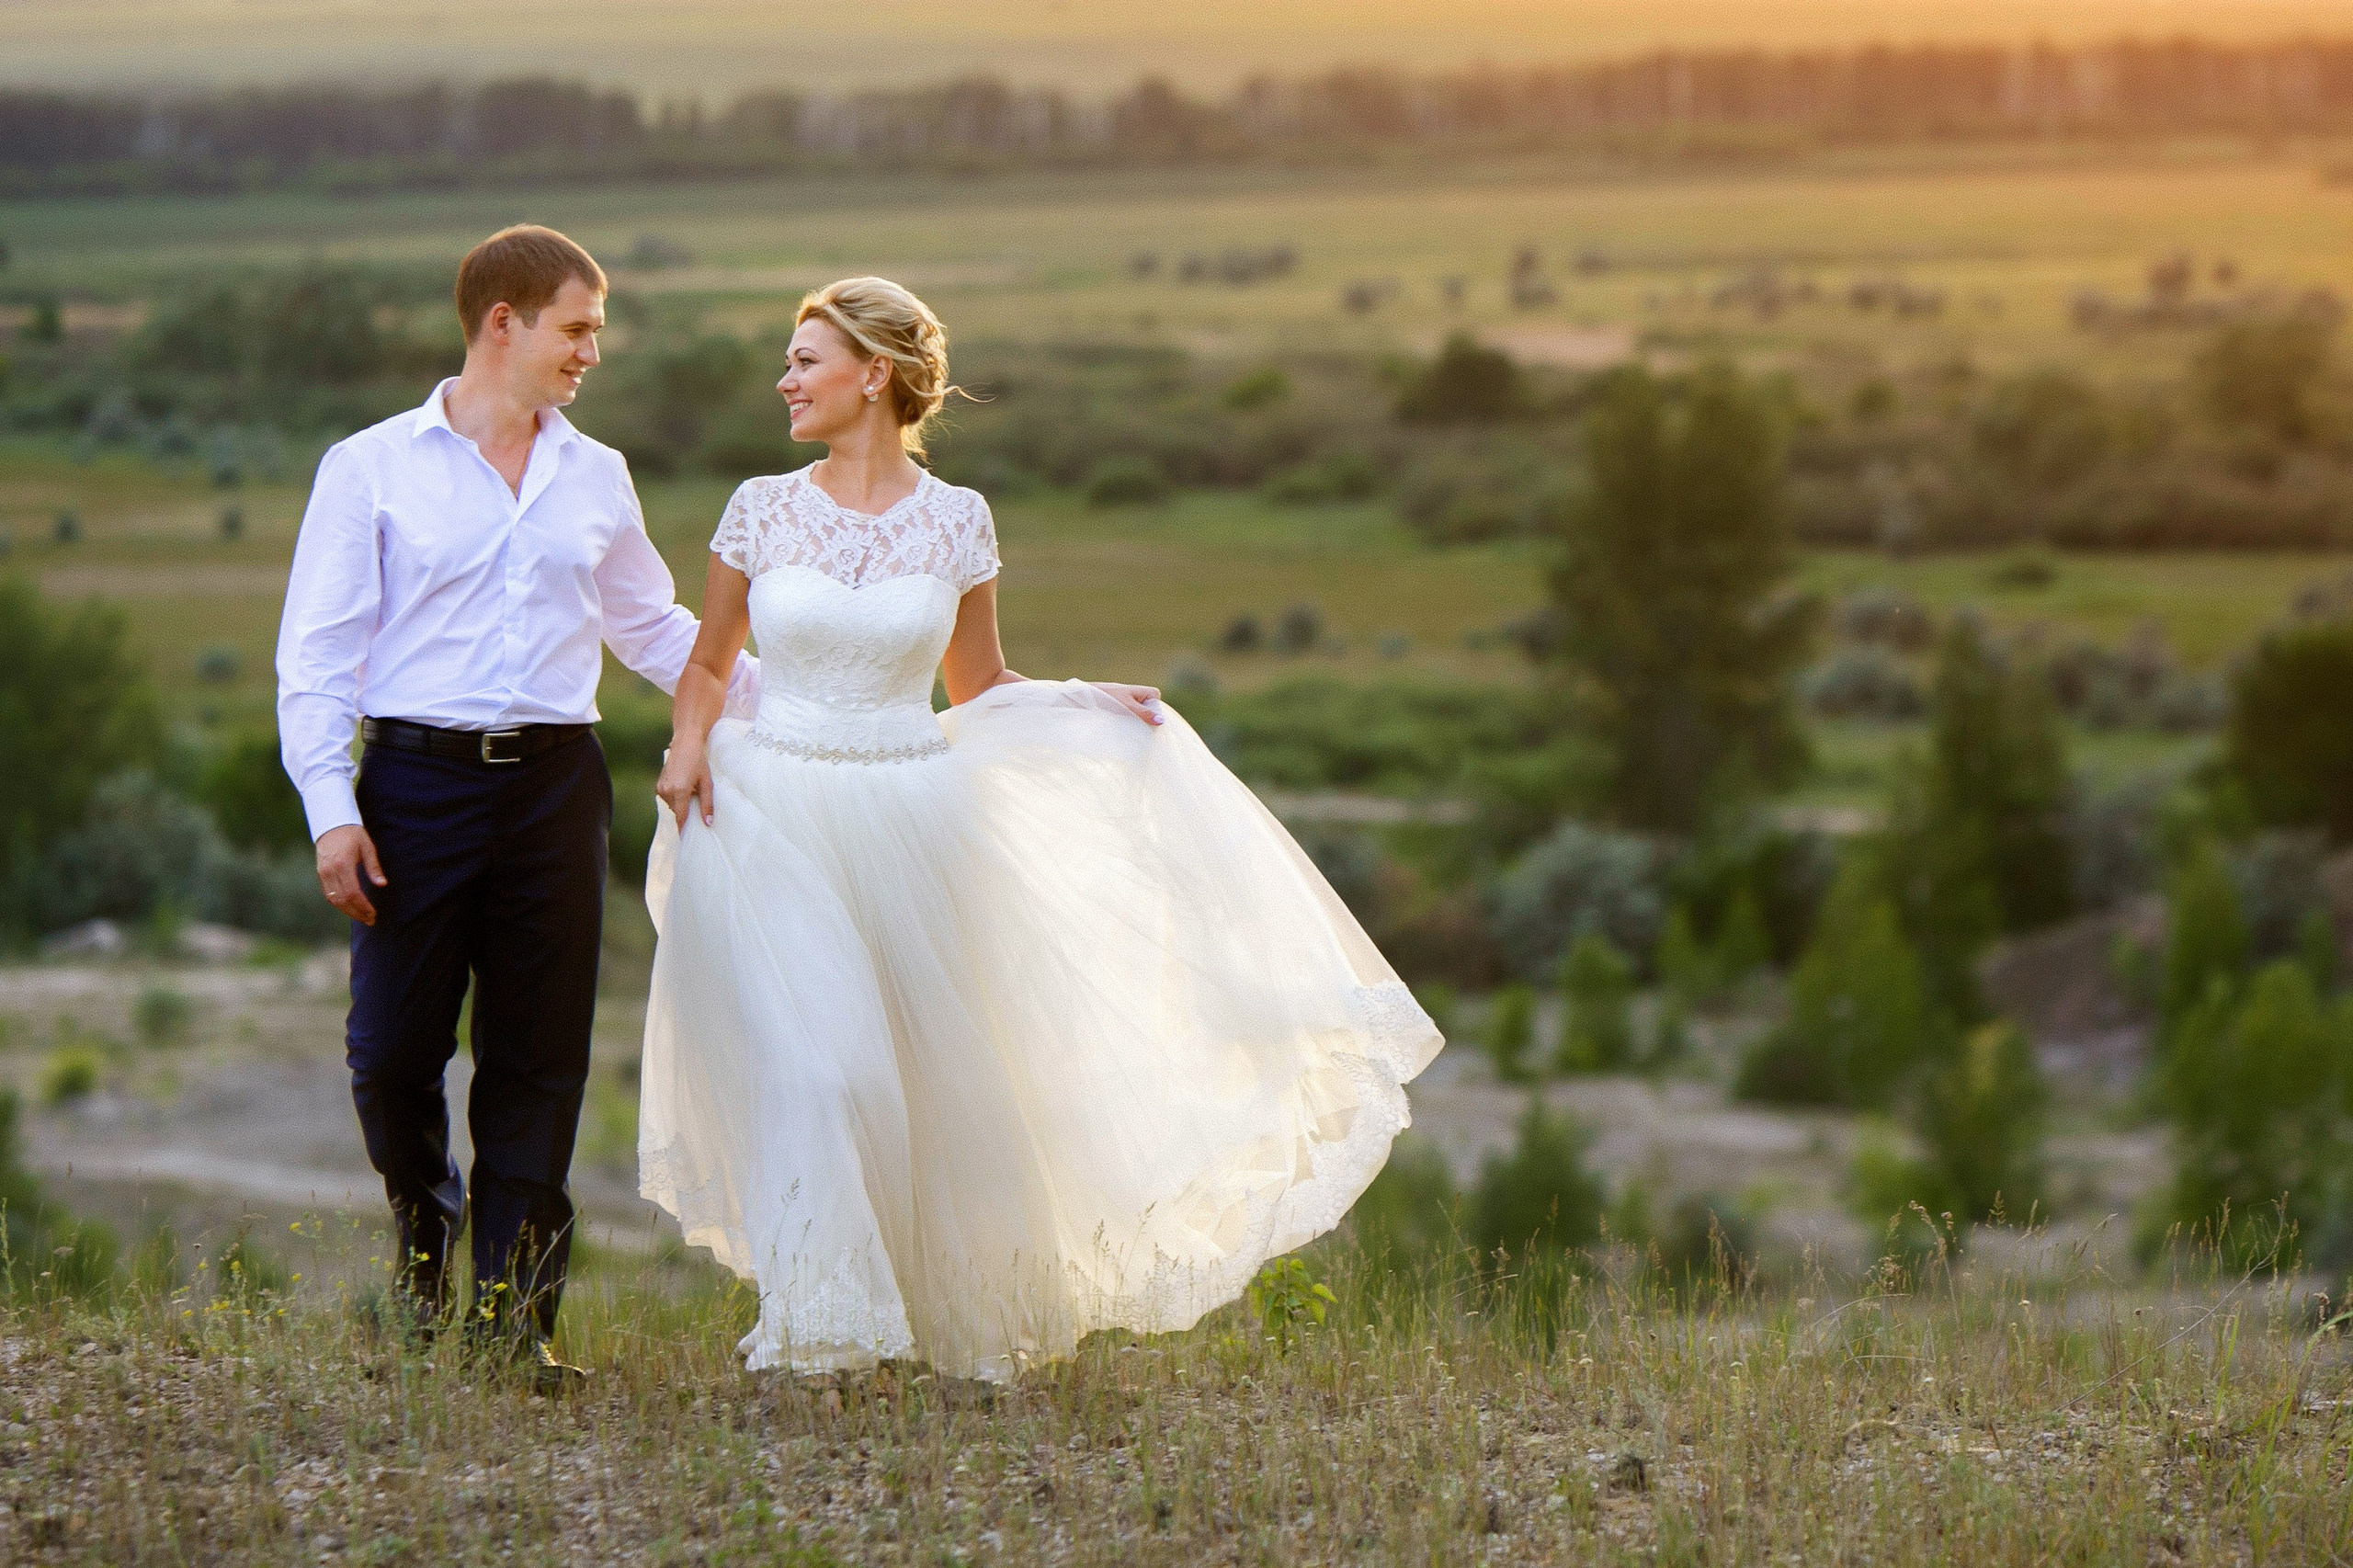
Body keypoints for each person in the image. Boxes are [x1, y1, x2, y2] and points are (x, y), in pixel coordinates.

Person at [642, 277, 1441, 1382]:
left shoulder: (957, 518)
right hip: (770, 806)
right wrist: (688, 742)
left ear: (874, 374)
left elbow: (976, 682)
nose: (784, 379)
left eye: (805, 359)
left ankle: (924, 1318)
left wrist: (1081, 703)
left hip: (913, 807)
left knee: (925, 1080)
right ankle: (817, 1325)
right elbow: (707, 662)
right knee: (825, 1071)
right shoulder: (759, 506)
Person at [276, 224, 757, 1391]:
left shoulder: (595, 474)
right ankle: (424, 1245)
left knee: (539, 1060)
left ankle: (512, 1326)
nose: (594, 350)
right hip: (413, 787)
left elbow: (652, 630)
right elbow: (317, 656)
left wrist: (827, 697)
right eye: (578, 327)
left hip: (554, 789)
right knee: (392, 1055)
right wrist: (331, 806)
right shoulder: (370, 465)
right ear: (506, 322)